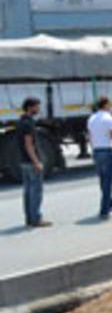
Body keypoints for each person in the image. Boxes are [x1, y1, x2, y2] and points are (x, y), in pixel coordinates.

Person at [19, 97, 51, 228]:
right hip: (30, 161)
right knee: (36, 191)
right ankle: (36, 219)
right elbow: (29, 144)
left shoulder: (21, 121)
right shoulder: (28, 123)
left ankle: (29, 218)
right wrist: (36, 162)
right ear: (30, 107)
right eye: (37, 107)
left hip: (23, 161)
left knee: (28, 191)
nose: (38, 109)